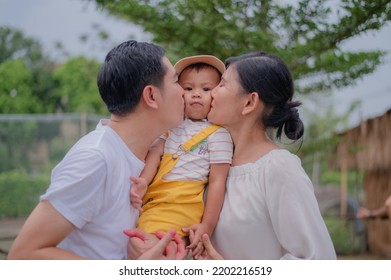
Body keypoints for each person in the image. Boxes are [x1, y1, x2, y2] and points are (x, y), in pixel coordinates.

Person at [7, 40, 187, 260]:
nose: (184, 92)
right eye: (177, 82)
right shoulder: (95, 159)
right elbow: (23, 255)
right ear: (151, 96)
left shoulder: (154, 153)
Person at [195, 51, 337, 260]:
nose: (211, 93)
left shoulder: (279, 168)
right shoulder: (211, 163)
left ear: (250, 103)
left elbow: (317, 259)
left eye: (222, 85)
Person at [128, 55, 233, 259]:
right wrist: (143, 181)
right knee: (147, 239)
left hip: (184, 201)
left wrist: (207, 225)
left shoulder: (218, 134)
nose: (196, 95)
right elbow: (155, 154)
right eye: (188, 88)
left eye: (206, 89)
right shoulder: (171, 125)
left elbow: (217, 181)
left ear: (217, 94)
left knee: (162, 242)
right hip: (156, 198)